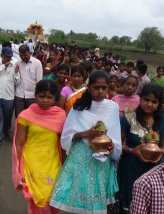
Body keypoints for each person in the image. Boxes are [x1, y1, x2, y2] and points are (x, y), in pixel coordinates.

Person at [50, 70, 122, 214]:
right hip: (81, 156)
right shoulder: (78, 107)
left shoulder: (112, 107)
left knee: (96, 199)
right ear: (89, 88)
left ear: (108, 88)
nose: (100, 91)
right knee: (79, 199)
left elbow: (115, 134)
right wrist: (86, 134)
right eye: (96, 87)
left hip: (102, 159)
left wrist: (111, 145)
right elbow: (67, 135)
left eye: (104, 88)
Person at [12, 80, 66, 214]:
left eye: (49, 97)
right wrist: (19, 169)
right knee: (36, 198)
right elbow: (19, 144)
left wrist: (65, 165)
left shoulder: (60, 116)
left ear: (55, 98)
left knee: (51, 197)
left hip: (52, 163)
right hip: (31, 163)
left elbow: (64, 143)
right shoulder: (26, 116)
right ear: (35, 96)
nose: (45, 100)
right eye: (41, 96)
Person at [117, 84, 164, 214]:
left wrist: (163, 151)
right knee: (130, 204)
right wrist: (133, 151)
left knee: (153, 205)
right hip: (131, 168)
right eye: (146, 100)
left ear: (159, 103)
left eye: (154, 102)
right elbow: (117, 144)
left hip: (156, 169)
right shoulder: (128, 118)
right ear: (141, 99)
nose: (149, 104)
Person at [0, 47, 20, 149]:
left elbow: (17, 82)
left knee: (7, 117)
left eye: (10, 57)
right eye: (6, 56)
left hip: (9, 96)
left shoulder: (14, 64)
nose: (8, 59)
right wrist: (3, 66)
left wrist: (16, 72)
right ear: (2, 55)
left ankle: (6, 131)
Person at [14, 45, 43, 118]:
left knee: (31, 117)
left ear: (29, 53)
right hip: (19, 95)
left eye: (25, 55)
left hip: (32, 95)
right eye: (21, 55)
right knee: (19, 117)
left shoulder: (37, 63)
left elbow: (39, 81)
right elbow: (15, 80)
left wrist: (38, 96)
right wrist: (15, 72)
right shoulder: (17, 64)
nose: (23, 57)